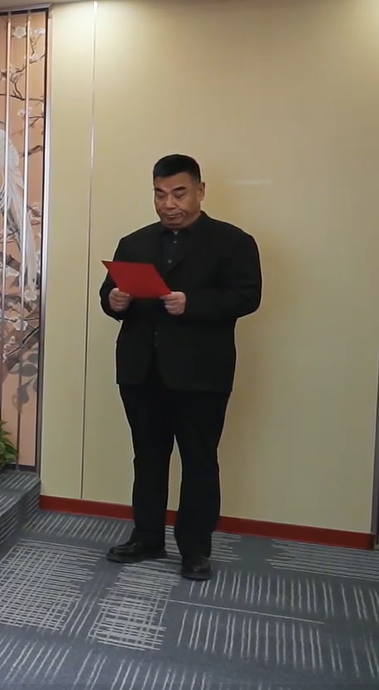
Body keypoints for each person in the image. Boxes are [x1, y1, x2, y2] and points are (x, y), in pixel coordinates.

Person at [98, 154, 262, 581]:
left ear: (200, 191)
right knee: (148, 458)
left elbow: (248, 296)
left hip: (201, 374)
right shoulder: (134, 243)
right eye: (159, 194)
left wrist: (193, 303)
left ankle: (195, 549)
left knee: (199, 461)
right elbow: (109, 294)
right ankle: (147, 538)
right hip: (141, 371)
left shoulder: (233, 242)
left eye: (178, 193)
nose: (168, 204)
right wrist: (113, 301)